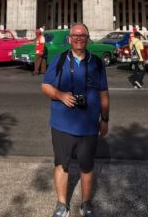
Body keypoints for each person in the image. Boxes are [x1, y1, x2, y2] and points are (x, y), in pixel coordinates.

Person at [41, 23, 109, 217]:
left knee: (87, 166)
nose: (79, 38)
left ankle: (86, 203)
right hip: (62, 124)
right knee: (62, 164)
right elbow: (45, 86)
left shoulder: (96, 62)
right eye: (75, 35)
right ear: (70, 39)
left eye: (83, 35)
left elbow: (104, 93)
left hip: (88, 125)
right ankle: (62, 204)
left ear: (88, 38)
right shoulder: (60, 60)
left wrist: (105, 119)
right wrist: (61, 95)